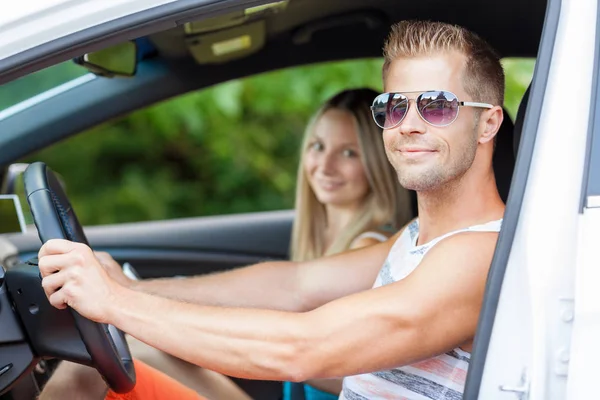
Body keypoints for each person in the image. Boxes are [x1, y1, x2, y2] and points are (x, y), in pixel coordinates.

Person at [39, 19, 506, 400]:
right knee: (85, 372)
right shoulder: (415, 239)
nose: (409, 125)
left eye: (438, 106)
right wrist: (126, 285)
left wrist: (117, 303)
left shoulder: (483, 254)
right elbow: (294, 285)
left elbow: (304, 348)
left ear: (488, 122)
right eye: (395, 107)